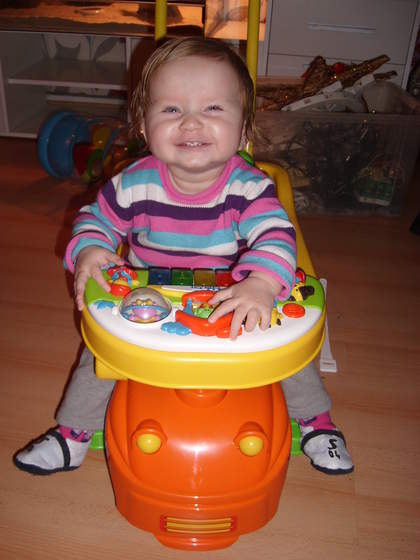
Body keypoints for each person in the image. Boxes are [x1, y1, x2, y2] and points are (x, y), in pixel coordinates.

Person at [14, 38, 353, 476]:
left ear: (244, 130)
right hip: (149, 296)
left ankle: (315, 423)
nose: (191, 122)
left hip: (233, 294)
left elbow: (275, 234)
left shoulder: (249, 189)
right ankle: (74, 433)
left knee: (287, 351)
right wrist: (92, 248)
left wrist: (262, 283)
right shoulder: (131, 183)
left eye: (213, 108)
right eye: (171, 109)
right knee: (99, 355)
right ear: (143, 125)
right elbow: (95, 219)